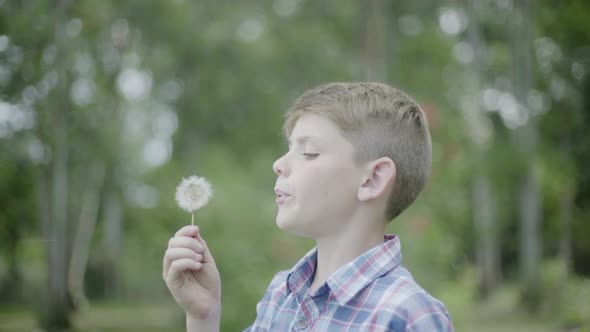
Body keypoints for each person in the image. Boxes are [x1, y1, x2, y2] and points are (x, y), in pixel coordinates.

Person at [163, 82, 454, 331]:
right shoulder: (281, 295)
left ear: (373, 179)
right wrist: (204, 316)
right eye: (289, 149)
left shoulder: (409, 314)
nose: (278, 165)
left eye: (309, 152)